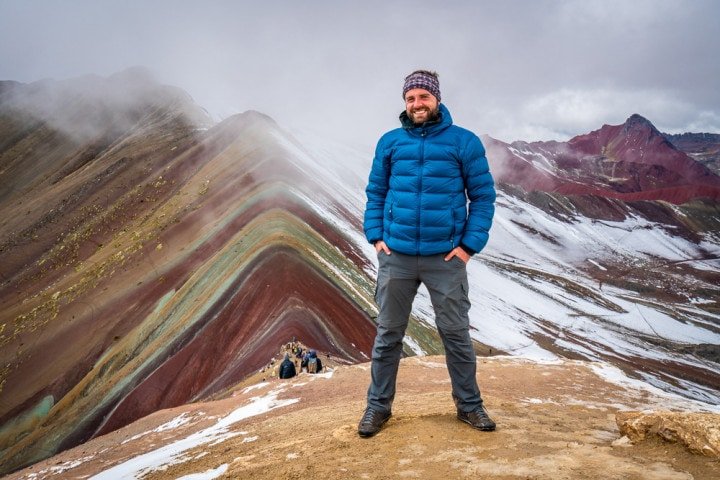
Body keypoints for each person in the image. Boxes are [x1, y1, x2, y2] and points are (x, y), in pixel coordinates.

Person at [358, 70, 496, 437]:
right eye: (410, 98)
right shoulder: (389, 143)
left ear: (436, 98)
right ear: (404, 103)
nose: (417, 104)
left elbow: (483, 197)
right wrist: (376, 238)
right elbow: (376, 193)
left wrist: (468, 247)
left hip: (445, 259)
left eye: (423, 97)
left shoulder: (463, 142)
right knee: (388, 336)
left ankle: (470, 407)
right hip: (396, 257)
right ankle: (377, 408)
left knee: (455, 335)